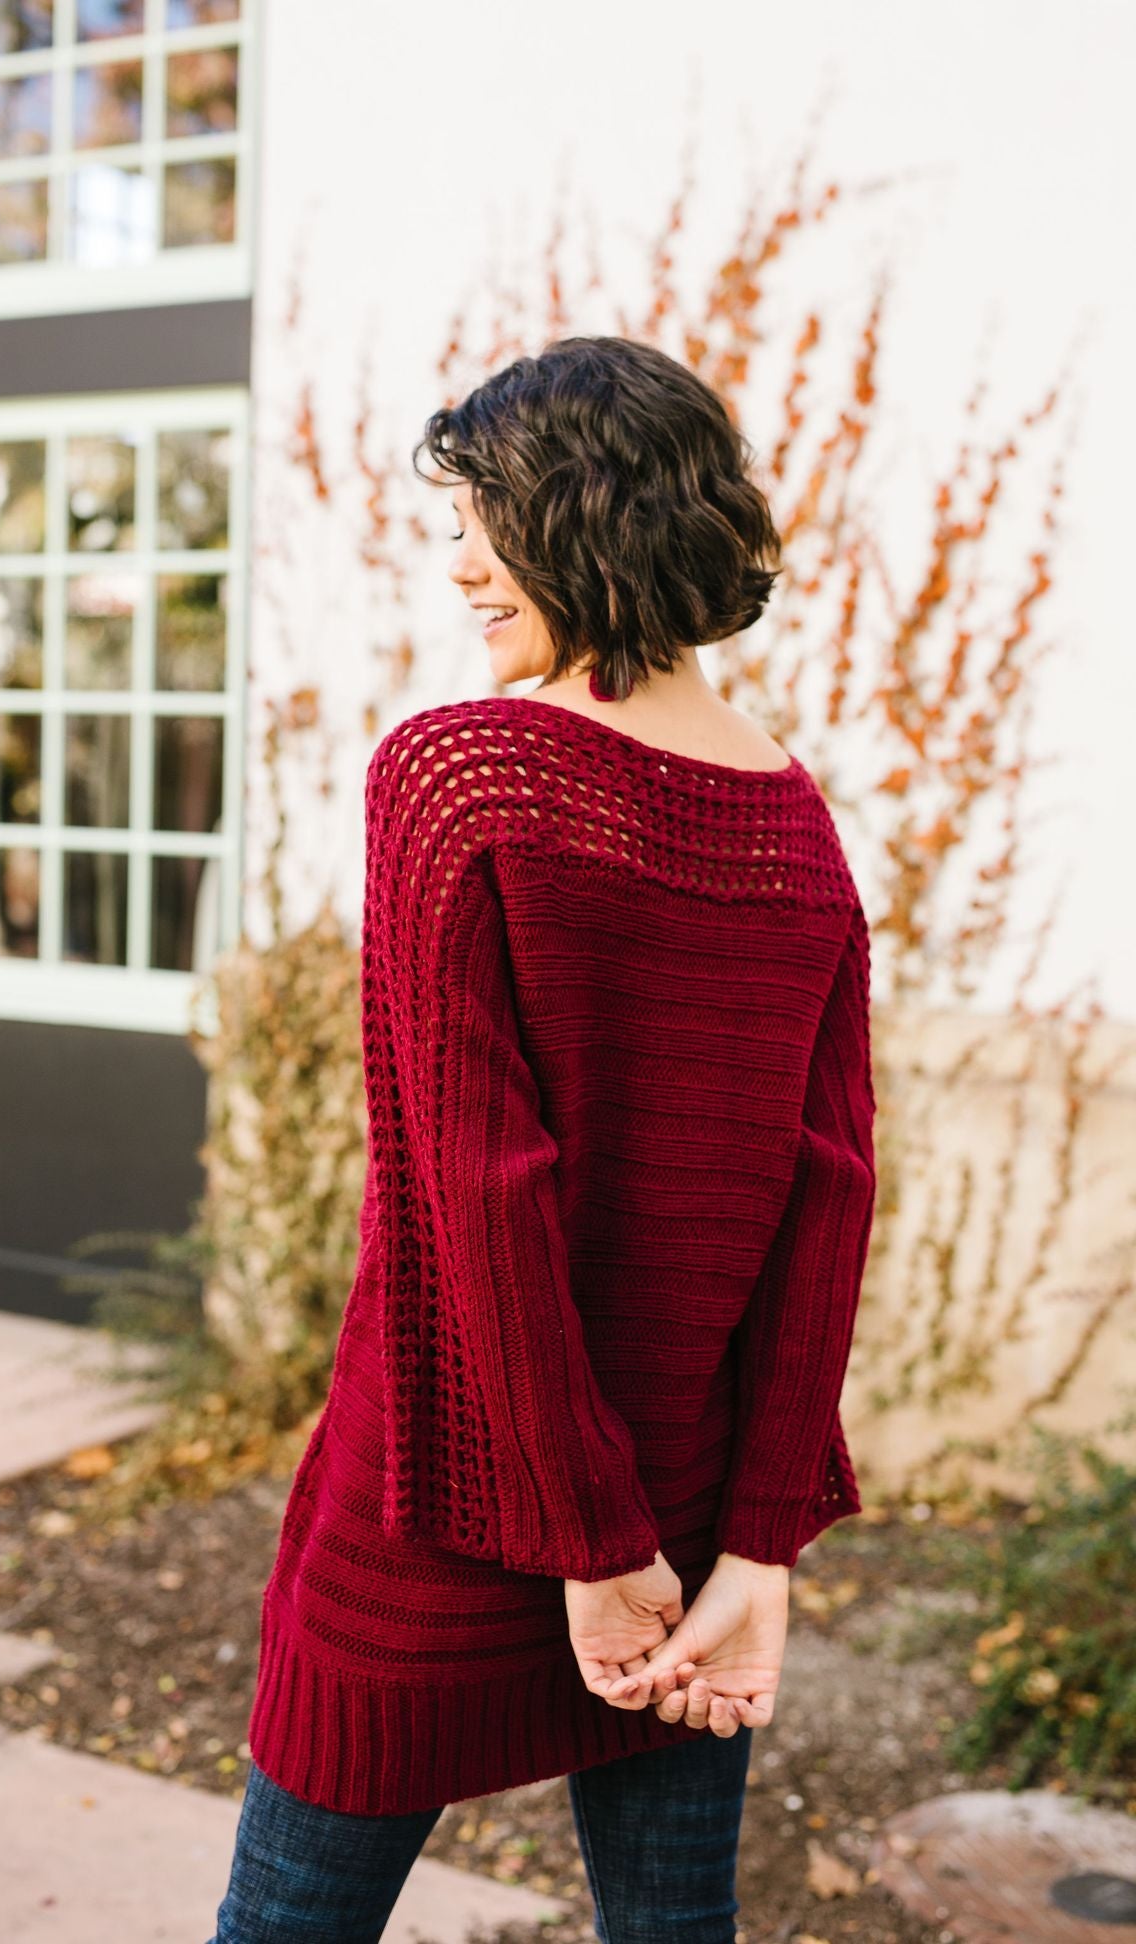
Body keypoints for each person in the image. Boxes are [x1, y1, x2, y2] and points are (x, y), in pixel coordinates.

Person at [207, 335, 877, 1944]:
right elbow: (827, 1199)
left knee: (286, 1930)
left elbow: (473, 1202)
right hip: (687, 1514)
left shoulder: (462, 776)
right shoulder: (797, 823)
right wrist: (752, 1548)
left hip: (449, 1491)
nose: (456, 568)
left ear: (577, 516)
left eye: (477, 521)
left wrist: (595, 1544)